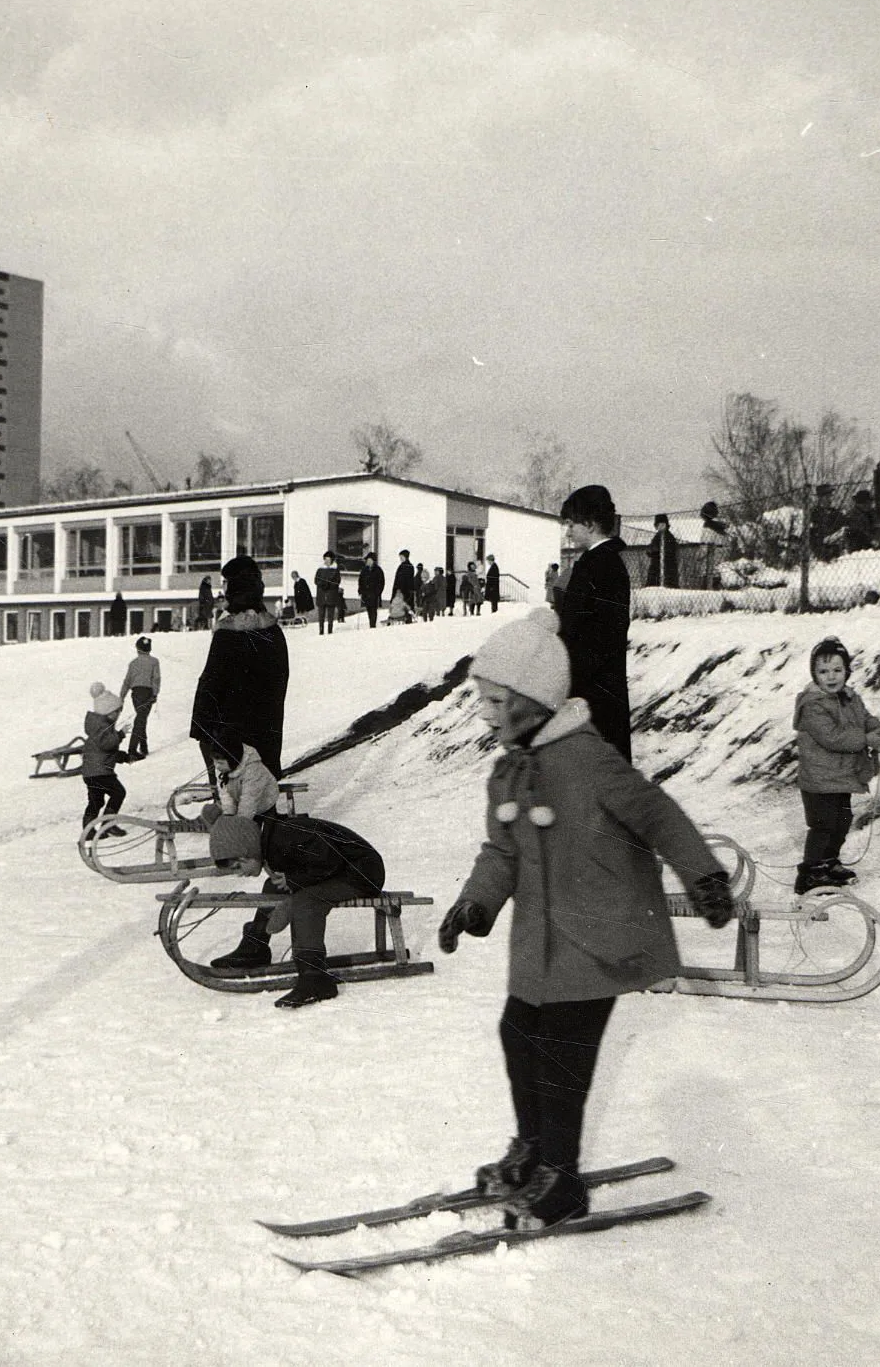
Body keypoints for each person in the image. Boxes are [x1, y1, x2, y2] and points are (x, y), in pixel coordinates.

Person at [436, 609, 734, 1228]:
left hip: (599, 940)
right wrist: (475, 903)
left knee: (563, 1057)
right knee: (519, 1035)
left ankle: (562, 1181)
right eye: (481, 700)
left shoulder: (588, 761)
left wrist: (702, 874)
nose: (484, 713)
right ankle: (535, 1150)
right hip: (540, 949)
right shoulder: (509, 773)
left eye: (494, 701)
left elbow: (659, 815)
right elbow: (501, 853)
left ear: (529, 699)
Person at [206, 808, 387, 1009]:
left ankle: (315, 977)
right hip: (339, 870)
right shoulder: (271, 841)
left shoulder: (284, 838)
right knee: (273, 886)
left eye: (237, 868)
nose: (240, 874)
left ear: (246, 854)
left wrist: (295, 880)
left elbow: (329, 860)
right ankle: (254, 947)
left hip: (361, 873)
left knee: (307, 901)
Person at [792, 636, 880, 894]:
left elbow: (863, 718)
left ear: (847, 671)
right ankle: (811, 874)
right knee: (822, 825)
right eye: (823, 672)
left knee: (842, 820)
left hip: (842, 776)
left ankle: (829, 861)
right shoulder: (812, 705)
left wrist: (876, 729)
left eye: (837, 670)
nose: (831, 677)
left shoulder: (849, 698)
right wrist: (864, 739)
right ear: (814, 674)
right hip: (819, 779)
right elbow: (832, 737)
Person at [190, 554, 290, 793]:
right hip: (266, 727)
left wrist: (201, 722)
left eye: (226, 583)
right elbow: (281, 678)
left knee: (234, 791)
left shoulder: (228, 634)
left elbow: (211, 682)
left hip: (230, 731)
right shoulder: (273, 631)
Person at [556, 484, 632, 762]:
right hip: (594, 685)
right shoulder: (598, 562)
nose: (568, 532)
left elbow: (599, 633)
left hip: (595, 689)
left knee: (600, 768)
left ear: (588, 524)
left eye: (571, 524)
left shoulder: (602, 566)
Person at [80, 682, 127, 836]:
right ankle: (108, 825)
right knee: (118, 793)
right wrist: (120, 734)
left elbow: (103, 750)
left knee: (96, 801)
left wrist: (121, 757)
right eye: (118, 711)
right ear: (110, 712)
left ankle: (88, 831)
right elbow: (107, 744)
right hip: (101, 772)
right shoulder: (102, 727)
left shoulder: (98, 726)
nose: (119, 714)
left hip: (91, 772)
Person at [118, 636, 161, 762]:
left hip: (135, 694)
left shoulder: (133, 663)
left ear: (138, 648)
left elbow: (126, 682)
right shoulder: (154, 661)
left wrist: (122, 697)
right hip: (147, 693)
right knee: (141, 719)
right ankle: (132, 750)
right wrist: (155, 693)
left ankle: (144, 747)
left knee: (141, 717)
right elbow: (156, 678)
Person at [645, 514, 680, 587]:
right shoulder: (658, 536)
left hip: (667, 566)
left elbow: (669, 551)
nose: (660, 526)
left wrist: (654, 551)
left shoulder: (669, 537)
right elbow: (651, 549)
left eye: (663, 524)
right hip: (657, 565)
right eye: (659, 525)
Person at [312, 552, 342, 635]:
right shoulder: (320, 570)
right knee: (321, 615)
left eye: (329, 559)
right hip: (321, 595)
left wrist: (329, 585)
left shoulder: (335, 570)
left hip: (331, 595)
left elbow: (337, 581)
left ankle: (330, 631)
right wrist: (322, 584)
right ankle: (321, 631)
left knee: (330, 615)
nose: (327, 561)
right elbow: (316, 580)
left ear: (332, 560)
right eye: (325, 559)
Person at [357, 552, 387, 628]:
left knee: (373, 610)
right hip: (366, 594)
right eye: (367, 560)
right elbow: (360, 581)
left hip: (374, 594)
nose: (367, 561)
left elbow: (381, 582)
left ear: (373, 560)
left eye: (369, 560)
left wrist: (378, 592)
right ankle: (371, 624)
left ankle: (372, 626)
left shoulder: (378, 570)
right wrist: (360, 590)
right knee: (369, 610)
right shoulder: (364, 570)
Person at [392, 549, 417, 620]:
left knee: (405, 607)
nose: (400, 559)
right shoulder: (406, 566)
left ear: (405, 557)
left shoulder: (406, 567)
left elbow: (403, 580)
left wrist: (398, 589)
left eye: (401, 557)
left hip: (404, 591)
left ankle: (406, 621)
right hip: (404, 591)